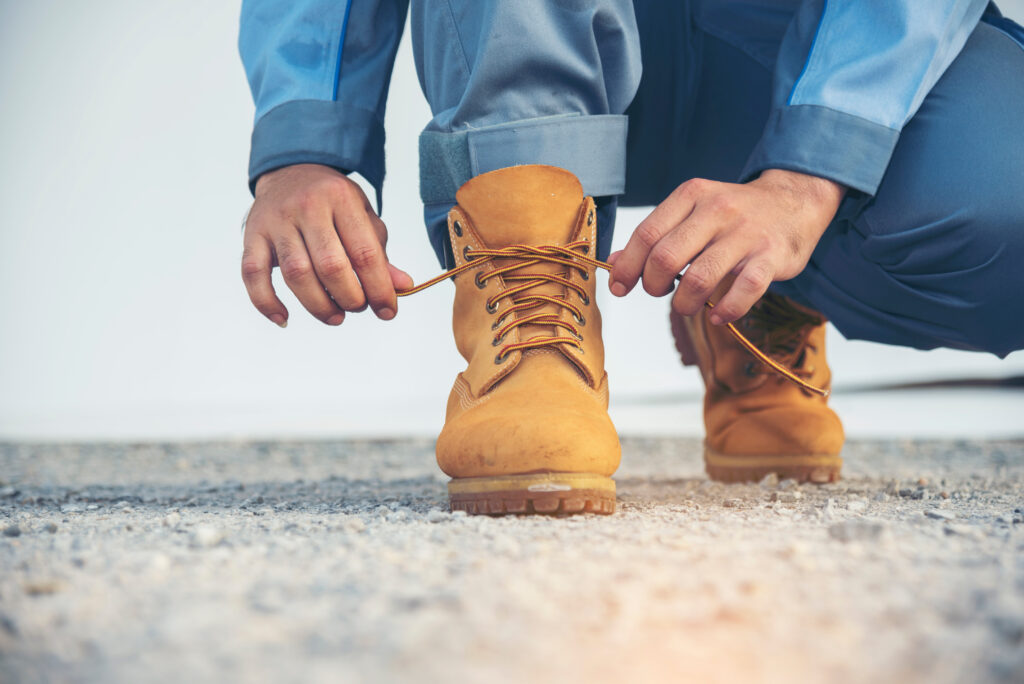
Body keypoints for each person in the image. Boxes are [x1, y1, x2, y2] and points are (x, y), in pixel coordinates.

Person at [238, 1, 1024, 515]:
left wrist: (813, 173)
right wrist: (304, 141)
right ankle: (532, 307)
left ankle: (756, 294)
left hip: (792, 41)